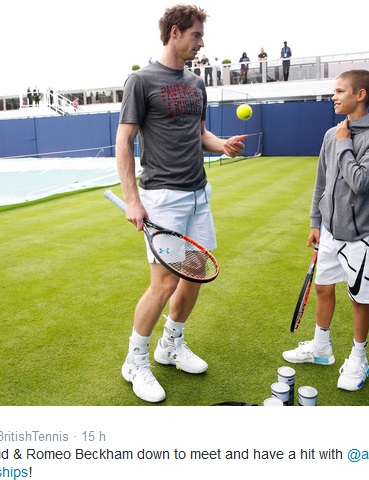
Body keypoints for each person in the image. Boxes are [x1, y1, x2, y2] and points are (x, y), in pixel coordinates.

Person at [115, 4, 248, 403]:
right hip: (162, 197)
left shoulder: (195, 84)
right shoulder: (141, 81)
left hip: (198, 193)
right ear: (175, 32)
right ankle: (135, 360)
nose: (201, 44)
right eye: (196, 35)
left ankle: (170, 345)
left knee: (193, 275)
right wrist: (132, 200)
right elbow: (124, 142)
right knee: (164, 282)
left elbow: (200, 133)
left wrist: (221, 144)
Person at [281, 69, 369, 392]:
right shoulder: (332, 134)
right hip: (329, 232)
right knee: (323, 288)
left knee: (359, 299)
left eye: (340, 91)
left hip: (361, 236)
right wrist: (316, 223)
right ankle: (321, 349)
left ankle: (359, 358)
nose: (334, 96)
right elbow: (322, 182)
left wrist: (345, 144)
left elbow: (359, 182)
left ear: (360, 95)